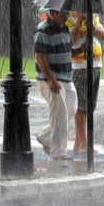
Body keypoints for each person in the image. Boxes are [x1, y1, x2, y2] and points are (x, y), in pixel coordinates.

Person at [33, 8, 77, 160]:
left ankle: (45, 137)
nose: (67, 17)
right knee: (60, 113)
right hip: (51, 79)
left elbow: (69, 48)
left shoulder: (65, 28)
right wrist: (51, 79)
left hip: (66, 78)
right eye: (64, 14)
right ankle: (59, 152)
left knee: (71, 108)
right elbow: (39, 57)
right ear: (54, 13)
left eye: (67, 14)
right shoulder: (43, 30)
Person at [67, 11, 104, 155]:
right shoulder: (69, 19)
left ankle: (78, 143)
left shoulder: (94, 17)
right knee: (81, 106)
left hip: (95, 64)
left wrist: (90, 25)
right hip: (80, 66)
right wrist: (79, 22)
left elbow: (103, 36)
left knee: (89, 106)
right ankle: (83, 144)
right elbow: (71, 40)